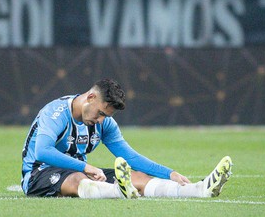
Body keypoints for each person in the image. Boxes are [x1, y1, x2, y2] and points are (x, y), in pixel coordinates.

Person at [20, 78, 233, 199]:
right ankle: (118, 190)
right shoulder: (55, 113)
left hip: (82, 172)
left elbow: (130, 157)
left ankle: (197, 190)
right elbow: (43, 151)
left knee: (136, 176)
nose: (101, 120)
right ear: (91, 97)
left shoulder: (104, 123)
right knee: (78, 178)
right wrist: (86, 167)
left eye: (106, 116)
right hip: (39, 174)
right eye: (100, 113)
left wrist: (170, 173)